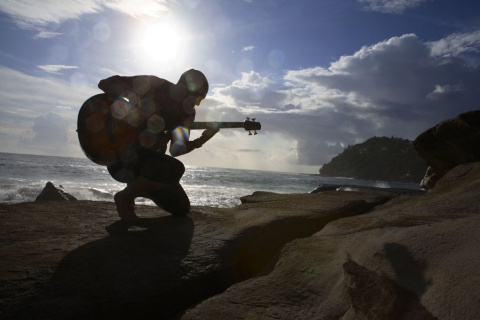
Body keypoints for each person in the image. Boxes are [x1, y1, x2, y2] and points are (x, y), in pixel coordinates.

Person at [98, 69, 218, 222]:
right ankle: (125, 197)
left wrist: (202, 140)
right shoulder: (155, 85)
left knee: (181, 208)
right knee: (176, 168)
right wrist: (130, 113)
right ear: (185, 89)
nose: (196, 104)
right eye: (198, 98)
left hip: (150, 168)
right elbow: (106, 83)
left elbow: (176, 150)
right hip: (121, 158)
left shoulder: (186, 114)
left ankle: (143, 188)